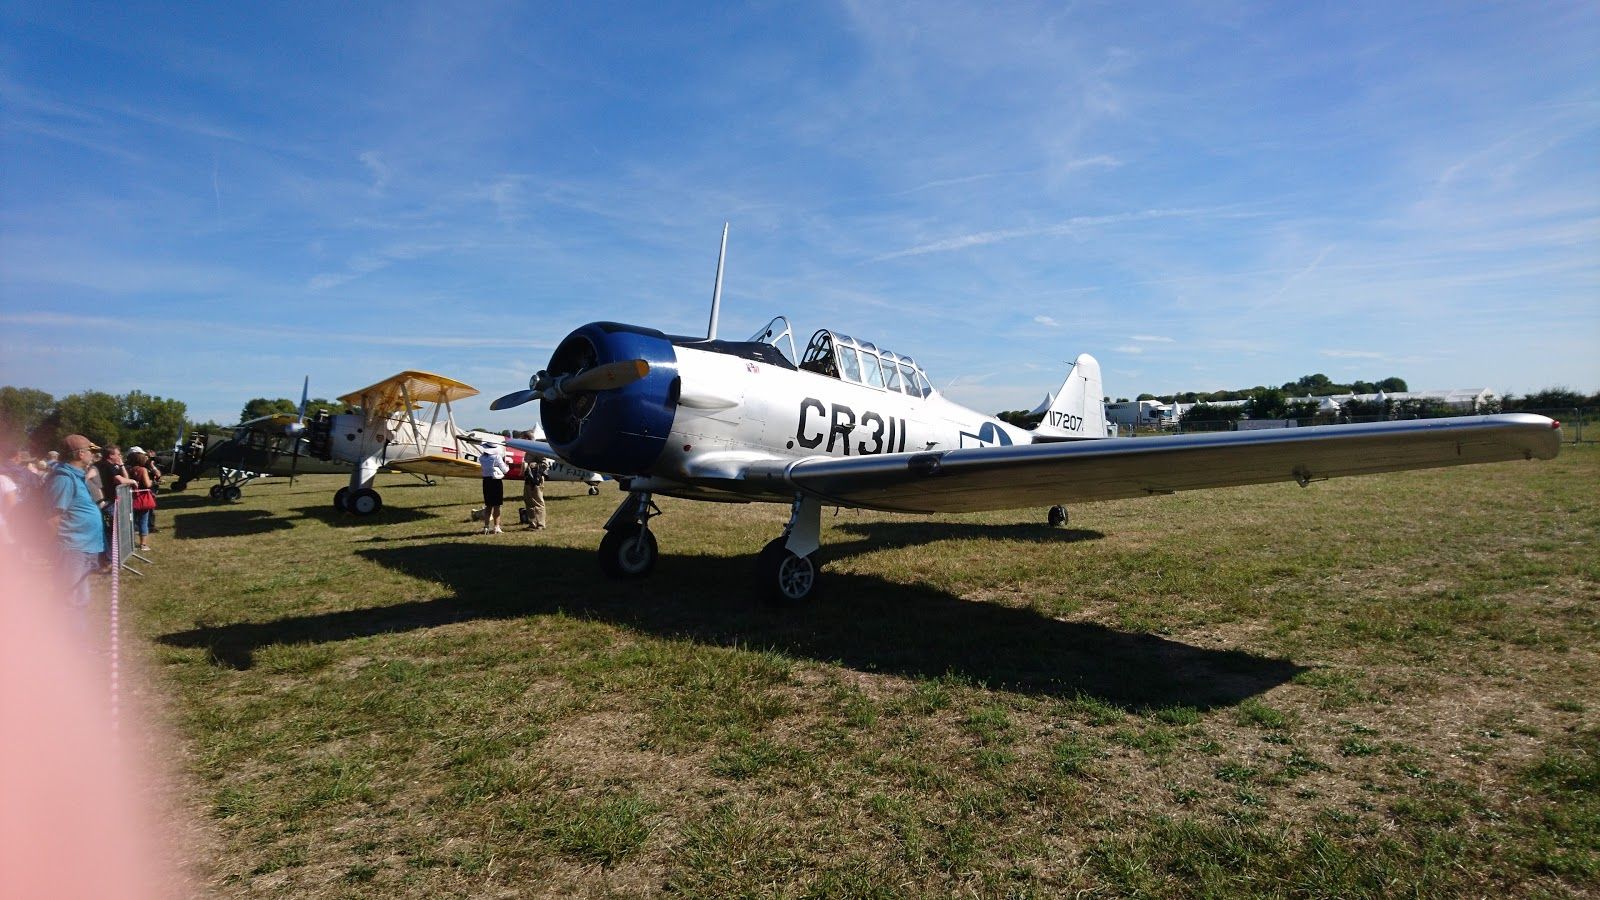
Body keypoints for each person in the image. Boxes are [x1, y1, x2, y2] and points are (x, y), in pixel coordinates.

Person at [44, 435, 105, 624]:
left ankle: (78, 646)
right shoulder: (63, 478)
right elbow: (53, 519)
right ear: (80, 454)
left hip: (82, 548)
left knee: (78, 600)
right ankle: (71, 649)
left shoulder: (76, 476)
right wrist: (56, 549)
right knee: (71, 601)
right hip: (72, 549)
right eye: (90, 451)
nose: (93, 455)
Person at [125, 449, 157, 552]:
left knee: (131, 521)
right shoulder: (142, 470)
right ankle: (143, 544)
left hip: (130, 498)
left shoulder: (127, 470)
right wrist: (152, 481)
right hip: (142, 499)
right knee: (143, 521)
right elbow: (147, 484)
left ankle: (129, 542)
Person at [477, 440, 509, 534]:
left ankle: (486, 526)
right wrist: (506, 465)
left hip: (486, 481)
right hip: (496, 481)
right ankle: (496, 527)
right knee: (497, 505)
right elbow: (505, 470)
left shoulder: (482, 458)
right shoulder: (497, 457)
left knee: (488, 505)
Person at [522, 454, 552, 530]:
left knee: (538, 501)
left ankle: (541, 524)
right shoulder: (527, 449)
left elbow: (545, 465)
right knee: (528, 501)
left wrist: (533, 466)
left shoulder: (537, 450)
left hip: (537, 479)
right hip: (528, 478)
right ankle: (532, 523)